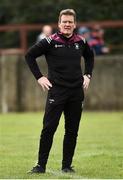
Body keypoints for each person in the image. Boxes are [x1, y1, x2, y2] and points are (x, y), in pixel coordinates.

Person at [25, 9, 94, 173]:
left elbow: (90, 57)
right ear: (59, 24)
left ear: (75, 24)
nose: (67, 24)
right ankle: (40, 166)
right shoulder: (50, 41)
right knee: (48, 128)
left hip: (76, 92)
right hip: (57, 92)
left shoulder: (81, 41)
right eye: (64, 21)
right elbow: (29, 56)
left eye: (70, 22)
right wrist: (39, 77)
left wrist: (88, 75)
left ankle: (67, 166)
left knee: (72, 130)